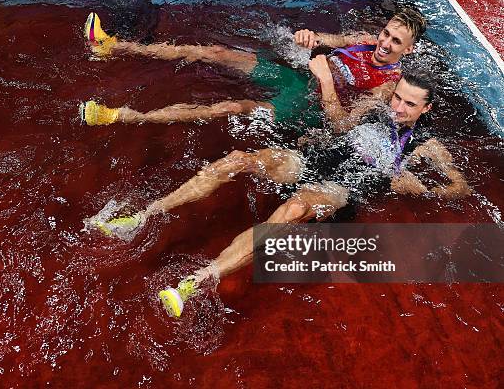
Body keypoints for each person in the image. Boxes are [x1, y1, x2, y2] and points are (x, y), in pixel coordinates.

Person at [85, 70, 471, 317]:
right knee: (238, 159)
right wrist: (324, 116)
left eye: (408, 103)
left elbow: (460, 188)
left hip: (340, 188)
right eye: (397, 97)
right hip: (316, 159)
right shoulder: (376, 110)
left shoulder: (427, 146)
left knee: (293, 209)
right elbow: (340, 124)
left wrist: (420, 187)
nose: (398, 106)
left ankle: (197, 281)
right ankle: (145, 214)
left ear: (427, 108)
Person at [79, 8, 426, 131]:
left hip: (305, 108)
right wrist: (308, 37)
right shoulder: (364, 39)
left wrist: (326, 80)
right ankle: (112, 45)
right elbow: (324, 39)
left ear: (408, 49)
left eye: (396, 42)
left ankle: (121, 116)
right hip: (299, 76)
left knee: (229, 108)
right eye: (386, 34)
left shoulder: (389, 86)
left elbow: (339, 124)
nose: (384, 43)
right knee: (215, 52)